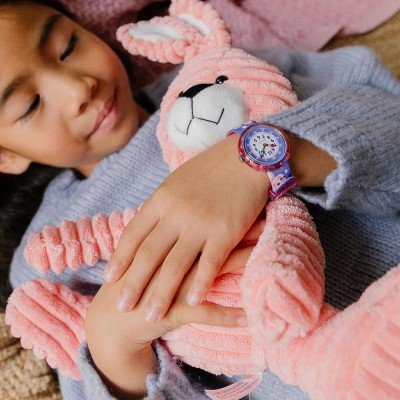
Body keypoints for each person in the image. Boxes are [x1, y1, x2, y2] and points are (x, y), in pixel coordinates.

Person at [1, 0, 399, 399]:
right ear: (5, 156)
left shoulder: (219, 70)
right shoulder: (44, 265)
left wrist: (258, 156)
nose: (78, 88)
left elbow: (386, 115)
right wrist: (114, 346)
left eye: (68, 46)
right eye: (29, 105)